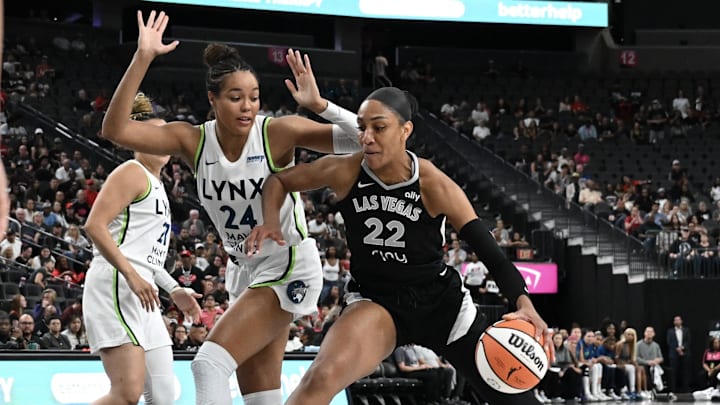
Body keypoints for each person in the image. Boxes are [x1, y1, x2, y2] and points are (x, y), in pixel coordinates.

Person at [100, 11, 362, 405]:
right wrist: (143, 57)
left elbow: (364, 139)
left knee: (208, 366)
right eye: (235, 97)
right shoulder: (192, 141)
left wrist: (320, 104)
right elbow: (114, 131)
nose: (247, 106)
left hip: (288, 263)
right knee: (261, 396)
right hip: (245, 269)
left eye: (254, 97)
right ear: (213, 99)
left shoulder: (276, 132)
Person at [244, 86, 547, 404]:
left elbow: (493, 257)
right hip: (378, 302)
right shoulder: (346, 170)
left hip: (441, 307)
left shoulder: (435, 184)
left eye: (379, 127)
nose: (367, 137)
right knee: (319, 380)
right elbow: (279, 181)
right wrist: (270, 221)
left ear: (406, 130)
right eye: (362, 128)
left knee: (517, 399)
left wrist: (523, 302)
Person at [83, 92, 201, 405]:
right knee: (126, 394)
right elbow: (94, 226)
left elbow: (145, 256)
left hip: (142, 289)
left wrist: (174, 289)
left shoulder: (157, 183)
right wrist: (132, 276)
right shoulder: (132, 172)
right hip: (116, 284)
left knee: (162, 396)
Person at [666, 315, 691, 392]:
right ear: (673, 322)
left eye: (678, 320)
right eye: (675, 320)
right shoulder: (670, 331)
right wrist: (677, 349)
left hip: (685, 353)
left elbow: (689, 341)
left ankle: (685, 389)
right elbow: (669, 342)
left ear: (681, 321)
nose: (677, 321)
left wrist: (682, 348)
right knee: (673, 372)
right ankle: (673, 389)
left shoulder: (686, 330)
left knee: (685, 372)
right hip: (673, 353)